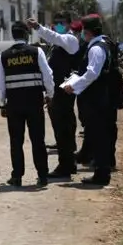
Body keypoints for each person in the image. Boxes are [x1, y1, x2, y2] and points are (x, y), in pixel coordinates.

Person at [0, 21, 56, 187]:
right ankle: (43, 176)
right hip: (34, 102)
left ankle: (17, 176)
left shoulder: (4, 56)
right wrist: (50, 95)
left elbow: (0, 83)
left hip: (14, 105)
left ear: (12, 35)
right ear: (26, 34)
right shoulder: (36, 52)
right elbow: (48, 76)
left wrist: (2, 104)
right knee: (38, 140)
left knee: (16, 141)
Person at [62, 15, 116, 186]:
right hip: (100, 99)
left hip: (96, 100)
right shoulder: (103, 44)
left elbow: (92, 73)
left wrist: (74, 86)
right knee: (98, 135)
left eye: (84, 31)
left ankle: (101, 174)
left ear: (88, 31)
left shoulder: (96, 49)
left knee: (99, 136)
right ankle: (100, 169)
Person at [29, 15, 82, 178]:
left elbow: (55, 36)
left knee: (63, 128)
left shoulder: (69, 40)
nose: (57, 26)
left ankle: (66, 166)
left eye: (61, 23)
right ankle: (67, 163)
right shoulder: (59, 44)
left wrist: (38, 27)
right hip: (59, 91)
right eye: (56, 23)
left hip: (63, 91)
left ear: (69, 24)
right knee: (62, 127)